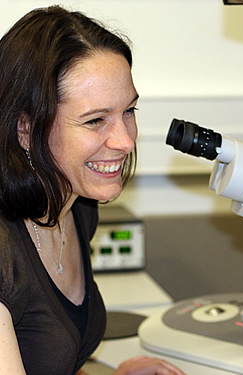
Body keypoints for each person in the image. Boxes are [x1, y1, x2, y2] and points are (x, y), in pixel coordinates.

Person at [0, 5, 185, 375]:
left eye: (128, 112)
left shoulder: (78, 209)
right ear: (25, 129)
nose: (125, 141)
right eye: (96, 120)